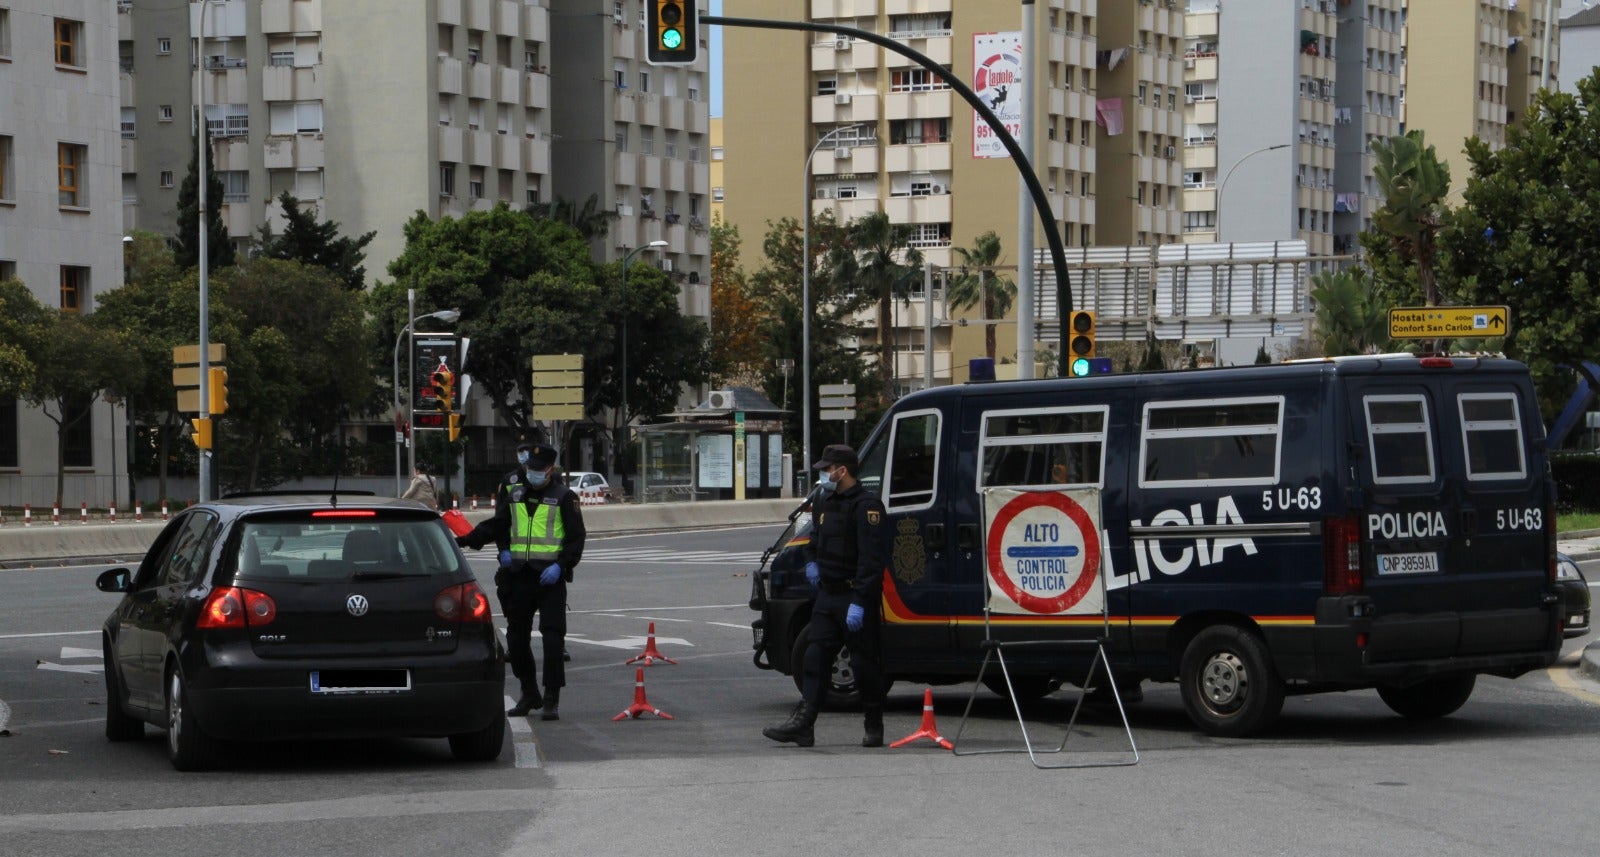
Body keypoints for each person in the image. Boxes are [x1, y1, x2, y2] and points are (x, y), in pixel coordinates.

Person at [763, 444, 889, 748]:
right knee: (814, 658)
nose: (824, 474)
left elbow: (872, 561)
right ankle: (804, 725)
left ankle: (874, 724)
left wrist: (860, 601)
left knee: (863, 664)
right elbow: (813, 540)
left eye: (827, 468)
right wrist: (811, 563)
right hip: (827, 595)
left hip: (854, 597)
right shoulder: (824, 501)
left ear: (842, 471)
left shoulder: (866, 506)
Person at [457, 442, 585, 720]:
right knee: (516, 641)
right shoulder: (515, 495)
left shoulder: (564, 497)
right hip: (519, 577)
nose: (533, 473)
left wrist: (561, 566)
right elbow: (497, 525)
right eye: (530, 469)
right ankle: (529, 693)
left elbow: (576, 539)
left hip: (550, 579)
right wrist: (465, 541)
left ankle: (551, 697)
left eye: (539, 469)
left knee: (552, 640)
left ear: (550, 470)